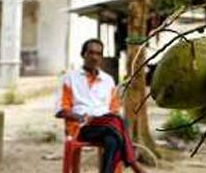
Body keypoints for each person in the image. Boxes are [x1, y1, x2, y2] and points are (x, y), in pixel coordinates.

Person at [55, 39, 147, 173]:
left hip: (107, 126)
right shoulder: (70, 78)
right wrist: (82, 117)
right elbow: (60, 110)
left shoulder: (108, 80)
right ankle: (133, 164)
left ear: (101, 57)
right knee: (119, 123)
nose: (94, 57)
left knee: (112, 140)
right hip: (82, 127)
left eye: (98, 54)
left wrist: (109, 118)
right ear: (83, 54)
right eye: (91, 53)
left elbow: (114, 110)